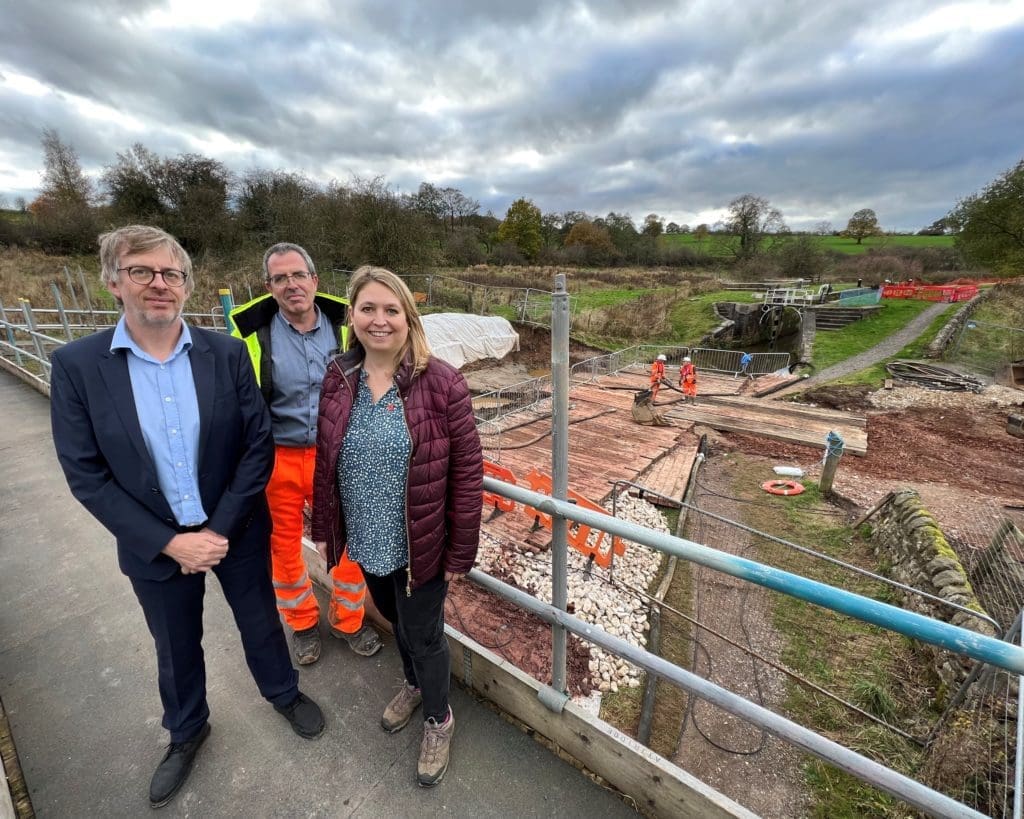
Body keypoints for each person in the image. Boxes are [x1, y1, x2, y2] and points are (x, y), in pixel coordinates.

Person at [49, 226, 325, 810]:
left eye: (171, 273)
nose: (159, 284)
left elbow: (256, 446)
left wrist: (218, 529)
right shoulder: (78, 366)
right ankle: (187, 729)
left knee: (259, 621)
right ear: (113, 282)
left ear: (185, 285)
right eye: (141, 271)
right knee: (175, 643)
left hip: (235, 531)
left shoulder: (223, 353)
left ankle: (283, 693)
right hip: (156, 546)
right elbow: (86, 475)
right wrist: (171, 544)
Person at [311, 265, 482, 788]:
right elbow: (325, 457)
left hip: (421, 543)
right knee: (390, 617)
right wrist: (324, 526)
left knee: (424, 635)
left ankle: (438, 717)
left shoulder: (441, 382)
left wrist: (458, 555)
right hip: (366, 536)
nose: (379, 320)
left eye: (391, 310)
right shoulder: (340, 376)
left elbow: (468, 476)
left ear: (409, 318)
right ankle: (412, 685)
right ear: (352, 316)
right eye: (368, 308)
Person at [230, 243, 382, 665]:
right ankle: (301, 623)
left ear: (315, 280)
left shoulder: (347, 325)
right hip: (277, 457)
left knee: (351, 543)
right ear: (269, 286)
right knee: (282, 545)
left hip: (336, 455)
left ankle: (348, 621)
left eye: (298, 275)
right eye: (280, 278)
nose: (291, 285)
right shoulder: (250, 336)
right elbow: (234, 399)